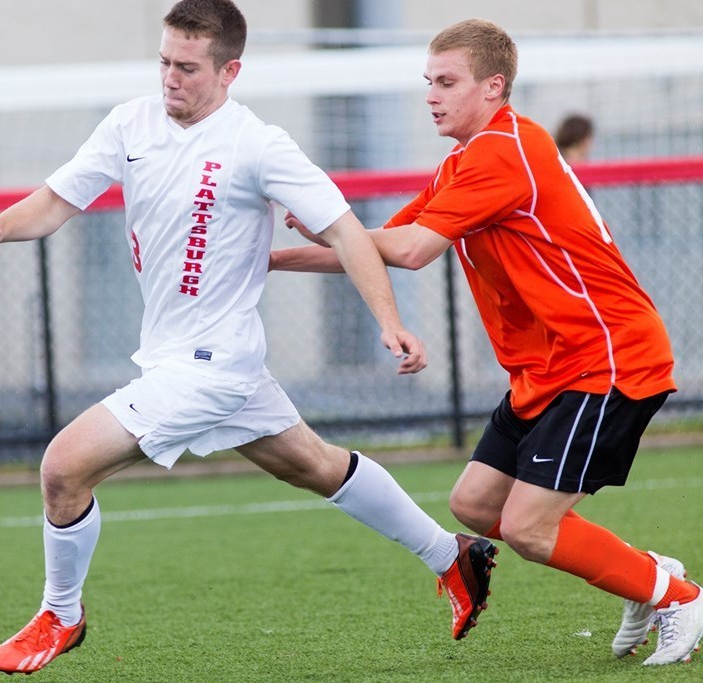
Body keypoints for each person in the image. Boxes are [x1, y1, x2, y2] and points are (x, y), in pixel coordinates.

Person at [0, 1, 498, 675]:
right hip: (184, 358)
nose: (169, 79)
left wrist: (389, 319)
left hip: (214, 366)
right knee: (316, 465)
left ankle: (61, 614)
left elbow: (346, 231)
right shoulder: (131, 123)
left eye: (186, 67)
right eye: (163, 63)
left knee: (64, 466)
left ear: (229, 70)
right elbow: (58, 199)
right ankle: (454, 556)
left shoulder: (258, 144)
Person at [273, 18, 703, 667]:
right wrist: (271, 258)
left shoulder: (506, 150)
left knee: (529, 526)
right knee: (475, 502)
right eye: (428, 82)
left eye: (446, 81)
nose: (431, 95)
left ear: (493, 86)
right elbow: (374, 245)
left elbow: (411, 250)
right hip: (552, 368)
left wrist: (327, 234)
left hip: (608, 356)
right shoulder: (463, 162)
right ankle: (644, 574)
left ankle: (678, 594)